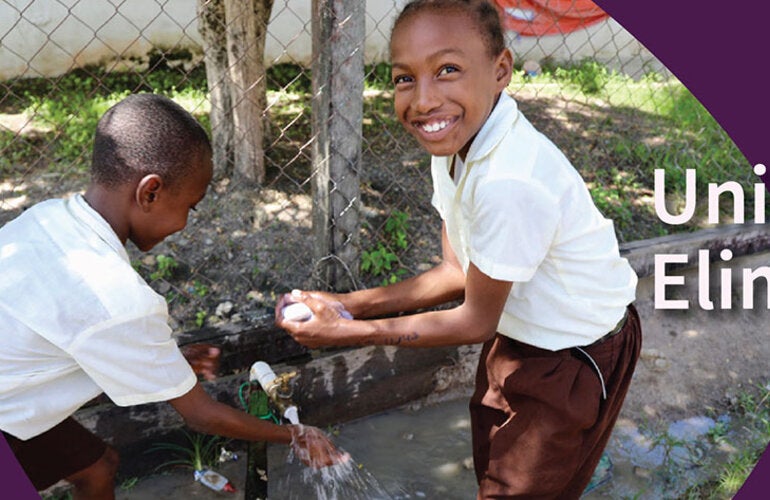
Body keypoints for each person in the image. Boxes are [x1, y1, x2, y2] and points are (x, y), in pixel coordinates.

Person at [275, 1, 642, 498]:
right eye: (405, 78)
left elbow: (473, 321)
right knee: (496, 460)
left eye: (447, 70)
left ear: (501, 71)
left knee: (520, 486)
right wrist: (344, 305)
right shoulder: (456, 141)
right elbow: (456, 270)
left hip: (574, 355)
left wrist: (347, 332)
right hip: (520, 333)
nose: (423, 100)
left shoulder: (509, 182)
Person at [0, 93, 344, 499]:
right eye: (190, 207)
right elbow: (202, 415)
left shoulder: (48, 218)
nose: (184, 222)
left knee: (98, 466)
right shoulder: (117, 298)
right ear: (150, 193)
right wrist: (294, 435)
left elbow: (58, 339)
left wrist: (167, 363)